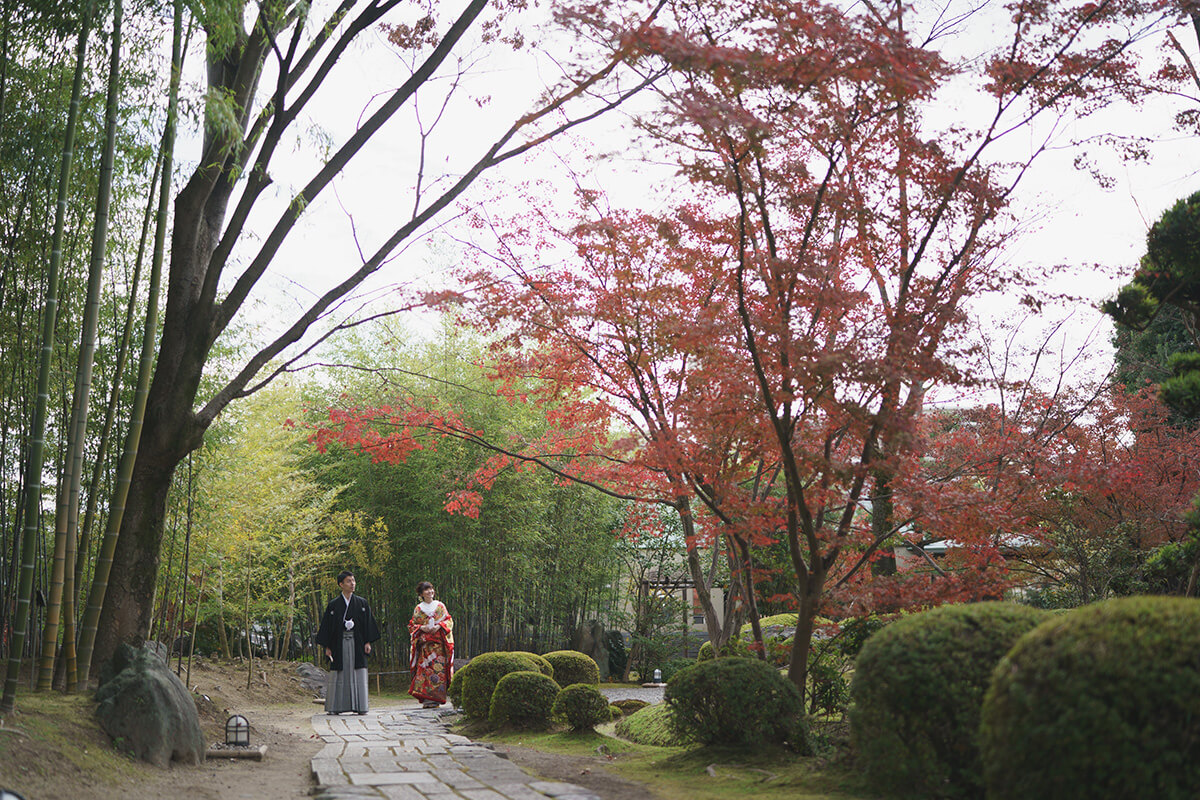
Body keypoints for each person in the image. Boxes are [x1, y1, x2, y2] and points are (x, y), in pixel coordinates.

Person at [314, 570, 380, 715]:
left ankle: (360, 706)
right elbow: (328, 627)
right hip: (339, 643)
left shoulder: (362, 603)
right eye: (349, 581)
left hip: (358, 642)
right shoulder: (333, 605)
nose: (352, 584)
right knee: (338, 672)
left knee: (359, 671)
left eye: (353, 581)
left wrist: (368, 642)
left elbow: (367, 624)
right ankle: (335, 706)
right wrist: (327, 646)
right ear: (341, 584)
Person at [407, 581, 453, 708]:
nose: (430, 592)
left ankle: (437, 698)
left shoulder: (440, 606)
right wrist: (422, 628)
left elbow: (448, 621)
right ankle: (427, 699)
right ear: (421, 593)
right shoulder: (418, 608)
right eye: (426, 590)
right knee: (425, 672)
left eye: (431, 589)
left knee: (438, 671)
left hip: (438, 647)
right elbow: (412, 626)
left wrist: (439, 626)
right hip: (425, 646)